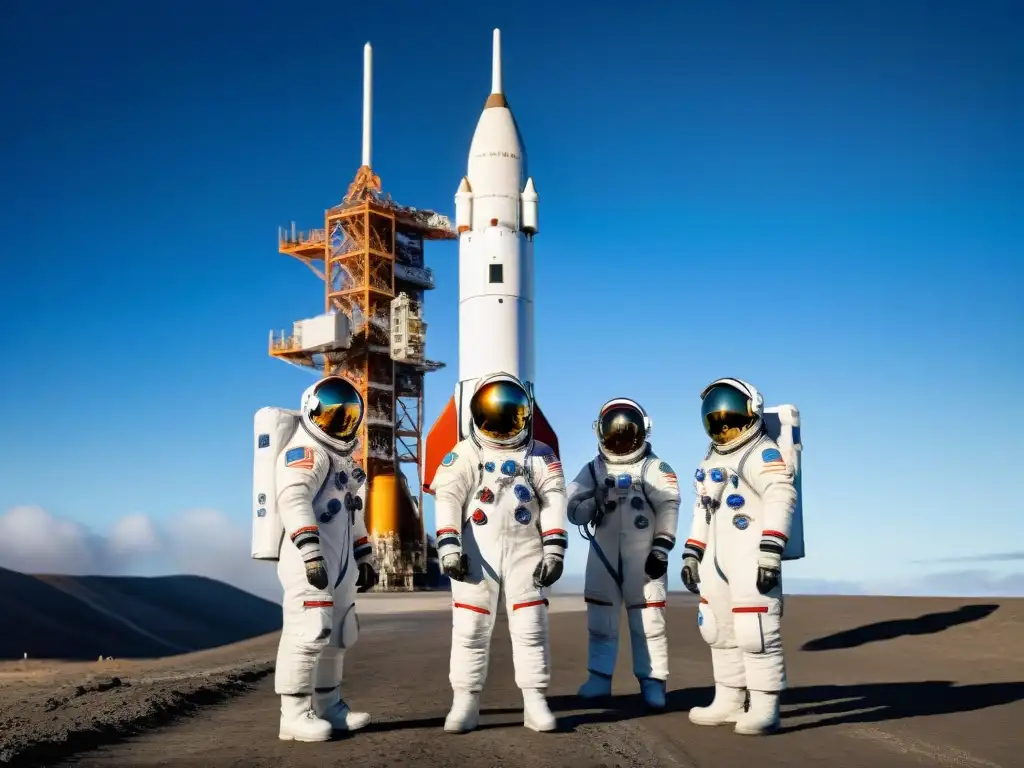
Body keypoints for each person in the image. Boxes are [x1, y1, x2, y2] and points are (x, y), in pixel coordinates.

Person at [431, 372, 568, 734]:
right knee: (470, 629)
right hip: (478, 554)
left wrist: (554, 549)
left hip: (527, 552)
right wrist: (448, 547)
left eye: (511, 414)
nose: (504, 423)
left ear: (525, 414)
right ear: (478, 415)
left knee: (531, 628)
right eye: (495, 415)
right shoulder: (464, 453)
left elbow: (554, 499)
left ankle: (535, 702)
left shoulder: (540, 454)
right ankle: (465, 704)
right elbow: (447, 500)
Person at [681, 377, 797, 735]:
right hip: (716, 557)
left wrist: (771, 552)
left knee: (755, 630)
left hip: (751, 553)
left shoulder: (761, 452)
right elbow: (702, 510)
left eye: (729, 417)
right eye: (716, 419)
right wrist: (691, 553)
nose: (723, 426)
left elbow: (781, 496)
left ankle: (765, 706)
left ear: (751, 411)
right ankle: (729, 699)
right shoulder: (710, 458)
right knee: (718, 629)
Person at [273, 376, 380, 742]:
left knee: (339, 633)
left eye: (346, 417)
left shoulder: (342, 460)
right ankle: (294, 714)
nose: (339, 423)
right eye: (332, 416)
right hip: (311, 558)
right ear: (311, 412)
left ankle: (330, 707)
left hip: (341, 560)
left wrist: (364, 555)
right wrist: (310, 551)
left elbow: (354, 512)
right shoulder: (305, 452)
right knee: (309, 629)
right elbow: (293, 500)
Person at [565, 398, 681, 710]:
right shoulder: (593, 469)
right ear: (600, 433)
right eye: (613, 432)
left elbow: (669, 505)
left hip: (643, 560)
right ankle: (599, 679)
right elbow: (574, 509)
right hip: (603, 556)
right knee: (600, 621)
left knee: (649, 623)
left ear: (643, 430)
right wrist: (593, 500)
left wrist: (661, 548)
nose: (619, 439)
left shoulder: (655, 468)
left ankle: (653, 682)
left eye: (626, 431)